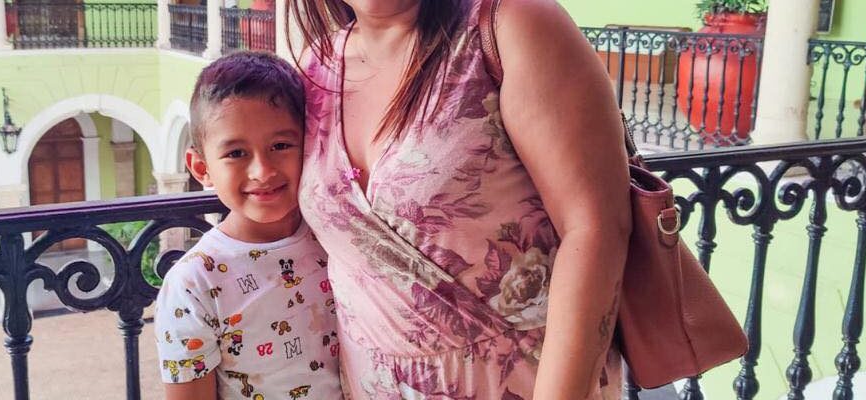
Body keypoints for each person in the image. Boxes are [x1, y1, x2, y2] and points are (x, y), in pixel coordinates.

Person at [291, 0, 631, 398]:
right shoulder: (316, 64)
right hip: (368, 382)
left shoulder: (513, 25)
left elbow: (595, 228)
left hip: (524, 382)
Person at [154, 51, 342, 400]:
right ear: (201, 168)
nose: (262, 171)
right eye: (236, 153)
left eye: (280, 145)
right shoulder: (193, 283)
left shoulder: (336, 237)